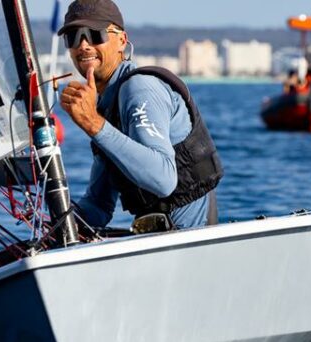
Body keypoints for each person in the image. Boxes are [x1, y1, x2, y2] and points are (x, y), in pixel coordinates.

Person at [57, 0, 222, 232]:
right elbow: (99, 205)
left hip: (191, 243)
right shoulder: (106, 106)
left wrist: (93, 123)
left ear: (121, 41)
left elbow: (163, 181)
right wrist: (59, 225)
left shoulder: (139, 89)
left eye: (95, 34)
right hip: (158, 242)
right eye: (73, 37)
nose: (83, 45)